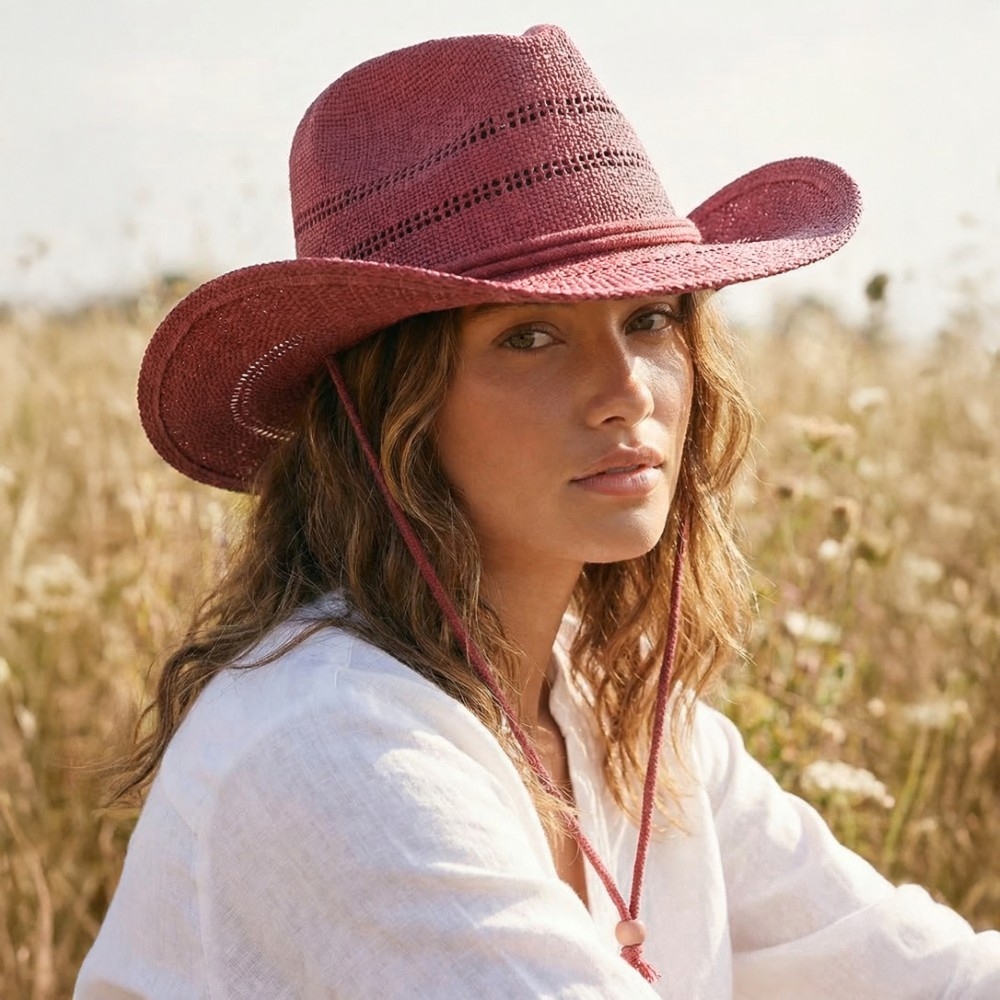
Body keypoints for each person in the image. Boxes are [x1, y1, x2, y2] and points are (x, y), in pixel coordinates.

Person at [76, 24, 1000, 999]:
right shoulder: (327, 747)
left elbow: (927, 977)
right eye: (528, 336)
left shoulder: (627, 727)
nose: (625, 389)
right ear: (392, 411)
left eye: (650, 319)